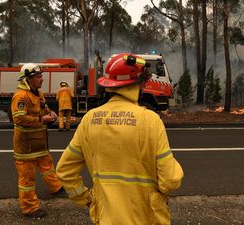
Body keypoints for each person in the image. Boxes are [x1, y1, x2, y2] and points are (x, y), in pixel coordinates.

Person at [56, 53, 184, 224]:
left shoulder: (89, 119)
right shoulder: (150, 121)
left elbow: (65, 171)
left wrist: (87, 199)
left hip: (105, 217)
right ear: (138, 83)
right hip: (146, 218)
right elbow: (170, 180)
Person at [11, 63, 64, 218]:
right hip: (26, 146)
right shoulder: (20, 96)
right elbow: (19, 118)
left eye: (41, 76)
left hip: (39, 143)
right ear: (28, 79)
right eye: (38, 77)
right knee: (27, 178)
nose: (42, 79)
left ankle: (55, 187)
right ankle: (29, 208)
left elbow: (43, 107)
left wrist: (51, 113)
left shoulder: (38, 93)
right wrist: (43, 119)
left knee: (47, 165)